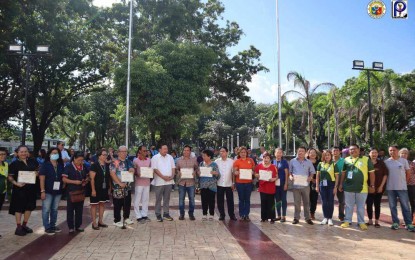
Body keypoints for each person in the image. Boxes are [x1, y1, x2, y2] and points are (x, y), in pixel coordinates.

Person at [339, 144, 375, 230]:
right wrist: (341, 184)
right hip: (348, 187)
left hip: (362, 188)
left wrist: (372, 185)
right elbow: (343, 173)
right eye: (351, 149)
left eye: (355, 149)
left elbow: (372, 173)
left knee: (361, 206)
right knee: (348, 205)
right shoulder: (346, 160)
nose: (353, 151)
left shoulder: (366, 159)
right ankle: (347, 221)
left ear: (359, 150)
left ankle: (361, 222)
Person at [8, 145, 39, 236]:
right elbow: (10, 177)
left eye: (25, 151)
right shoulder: (14, 164)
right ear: (17, 153)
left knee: (29, 207)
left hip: (31, 188)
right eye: (21, 152)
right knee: (19, 207)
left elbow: (38, 170)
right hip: (19, 189)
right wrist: (16, 183)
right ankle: (18, 227)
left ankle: (24, 225)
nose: (24, 153)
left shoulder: (33, 161)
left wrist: (37, 173)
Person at [384, 145, 415, 231]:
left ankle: (409, 224)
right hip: (390, 188)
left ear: (397, 151)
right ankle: (395, 223)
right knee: (392, 206)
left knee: (405, 206)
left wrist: (405, 182)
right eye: (390, 150)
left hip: (402, 188)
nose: (392, 152)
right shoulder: (386, 162)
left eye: (394, 150)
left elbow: (408, 173)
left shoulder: (403, 161)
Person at [39, 147, 65, 234]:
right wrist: (42, 191)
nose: (55, 154)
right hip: (47, 191)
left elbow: (63, 177)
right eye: (53, 153)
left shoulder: (60, 165)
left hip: (58, 191)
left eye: (56, 153)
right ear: (49, 154)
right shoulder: (45, 164)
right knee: (46, 209)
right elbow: (42, 179)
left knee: (54, 209)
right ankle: (47, 227)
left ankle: (53, 225)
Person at [63, 151, 88, 233]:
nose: (80, 162)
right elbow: (64, 179)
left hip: (81, 191)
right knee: (70, 209)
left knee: (79, 209)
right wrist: (75, 182)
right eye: (79, 160)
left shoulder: (83, 166)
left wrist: (85, 180)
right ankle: (70, 227)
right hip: (71, 191)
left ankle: (78, 226)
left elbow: (87, 176)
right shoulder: (69, 166)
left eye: (82, 160)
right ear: (74, 159)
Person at [289, 147, 315, 225]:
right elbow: (290, 172)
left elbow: (312, 172)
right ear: (297, 151)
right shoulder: (292, 161)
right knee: (297, 203)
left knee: (306, 202)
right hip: (296, 186)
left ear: (305, 152)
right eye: (299, 151)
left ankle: (307, 218)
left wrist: (310, 177)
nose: (300, 152)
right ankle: (296, 218)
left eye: (302, 151)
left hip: (305, 186)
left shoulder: (309, 162)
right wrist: (290, 177)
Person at [110, 146, 135, 227]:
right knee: (117, 203)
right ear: (118, 152)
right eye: (122, 151)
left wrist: (132, 170)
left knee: (127, 203)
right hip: (118, 187)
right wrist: (120, 183)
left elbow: (132, 169)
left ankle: (126, 218)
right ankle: (117, 220)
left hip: (127, 187)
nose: (124, 153)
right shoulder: (115, 162)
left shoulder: (129, 161)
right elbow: (112, 173)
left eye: (125, 151)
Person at [151, 145, 175, 222]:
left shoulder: (170, 157)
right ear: (160, 149)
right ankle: (158, 214)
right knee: (158, 199)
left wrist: (172, 176)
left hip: (169, 181)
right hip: (159, 181)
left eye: (167, 148)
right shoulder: (155, 157)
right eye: (164, 149)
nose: (166, 150)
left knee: (167, 199)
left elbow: (173, 167)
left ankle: (166, 214)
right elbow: (154, 169)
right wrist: (163, 177)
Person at [315, 150, 339, 226]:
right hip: (322, 185)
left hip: (331, 184)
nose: (327, 156)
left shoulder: (334, 164)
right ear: (323, 156)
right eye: (326, 155)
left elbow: (337, 177)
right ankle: (325, 217)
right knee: (324, 201)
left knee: (330, 201)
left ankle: (330, 218)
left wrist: (335, 187)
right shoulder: (320, 164)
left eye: (328, 155)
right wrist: (317, 186)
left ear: (331, 156)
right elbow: (317, 177)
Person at [366, 147, 388, 227]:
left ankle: (377, 221)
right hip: (368, 188)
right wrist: (368, 187)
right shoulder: (366, 163)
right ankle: (370, 220)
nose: (374, 154)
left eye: (375, 152)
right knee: (369, 204)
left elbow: (385, 175)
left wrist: (381, 186)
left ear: (377, 154)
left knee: (377, 204)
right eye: (372, 152)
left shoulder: (381, 163)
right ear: (369, 154)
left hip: (379, 188)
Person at [176, 145, 199, 220]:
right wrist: (178, 172)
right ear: (183, 151)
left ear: (190, 151)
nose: (186, 152)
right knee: (181, 200)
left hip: (191, 183)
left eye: (187, 150)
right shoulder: (179, 160)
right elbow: (176, 169)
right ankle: (182, 214)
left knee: (192, 200)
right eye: (184, 150)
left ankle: (191, 214)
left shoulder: (194, 159)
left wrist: (195, 172)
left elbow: (197, 168)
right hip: (181, 183)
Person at [89, 149, 110, 230]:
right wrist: (93, 190)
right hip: (96, 188)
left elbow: (108, 177)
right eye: (104, 155)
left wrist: (109, 188)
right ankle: (94, 223)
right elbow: (92, 179)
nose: (105, 156)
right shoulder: (94, 165)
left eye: (106, 155)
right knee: (94, 205)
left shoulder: (106, 165)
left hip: (104, 188)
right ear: (99, 156)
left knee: (102, 204)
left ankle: (100, 221)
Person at [233, 146, 255, 221]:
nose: (243, 154)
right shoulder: (237, 161)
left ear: (247, 153)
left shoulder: (251, 160)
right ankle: (242, 214)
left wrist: (253, 172)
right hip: (239, 183)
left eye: (244, 152)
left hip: (248, 183)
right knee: (241, 199)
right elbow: (234, 172)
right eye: (241, 152)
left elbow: (254, 170)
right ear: (239, 153)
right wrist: (236, 172)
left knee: (247, 199)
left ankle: (247, 214)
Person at [255, 152, 277, 223]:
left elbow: (277, 176)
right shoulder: (259, 166)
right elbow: (255, 174)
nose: (266, 159)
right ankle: (264, 218)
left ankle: (272, 218)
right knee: (263, 202)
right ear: (263, 158)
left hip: (271, 187)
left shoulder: (274, 167)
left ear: (270, 159)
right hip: (262, 187)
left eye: (267, 158)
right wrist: (257, 175)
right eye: (264, 158)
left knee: (271, 203)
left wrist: (273, 179)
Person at [215, 147, 237, 221]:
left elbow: (233, 173)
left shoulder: (232, 161)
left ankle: (232, 215)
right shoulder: (216, 161)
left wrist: (233, 183)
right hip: (219, 184)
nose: (221, 153)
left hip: (229, 184)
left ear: (227, 152)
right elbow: (215, 171)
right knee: (219, 201)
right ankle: (222, 215)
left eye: (223, 151)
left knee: (230, 200)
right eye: (220, 151)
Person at [199, 149, 220, 220]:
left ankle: (211, 214)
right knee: (204, 200)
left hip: (212, 186)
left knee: (211, 200)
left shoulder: (214, 164)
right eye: (202, 156)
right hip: (203, 186)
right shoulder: (201, 164)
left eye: (204, 156)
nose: (203, 157)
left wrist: (215, 173)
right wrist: (198, 173)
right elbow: (199, 174)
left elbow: (218, 175)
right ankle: (204, 214)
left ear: (209, 156)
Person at [133, 145, 152, 223]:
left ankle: (144, 214)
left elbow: (151, 170)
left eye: (146, 150)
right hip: (139, 183)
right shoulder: (135, 160)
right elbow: (134, 172)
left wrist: (151, 174)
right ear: (139, 151)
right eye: (144, 151)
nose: (145, 152)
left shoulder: (149, 160)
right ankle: (138, 216)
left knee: (145, 199)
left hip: (147, 182)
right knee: (137, 200)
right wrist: (138, 174)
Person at [273, 148, 289, 222]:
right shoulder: (273, 162)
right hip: (275, 185)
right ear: (275, 153)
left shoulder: (284, 162)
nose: (279, 154)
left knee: (283, 200)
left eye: (280, 153)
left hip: (282, 184)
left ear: (282, 154)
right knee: (277, 200)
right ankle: (278, 215)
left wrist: (286, 183)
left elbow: (286, 173)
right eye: (277, 152)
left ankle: (283, 216)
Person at [332, 146, 345, 222]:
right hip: (331, 182)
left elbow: (344, 172)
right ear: (332, 152)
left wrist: (341, 183)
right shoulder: (329, 160)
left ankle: (341, 215)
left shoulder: (343, 161)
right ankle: (329, 215)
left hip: (340, 181)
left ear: (340, 152)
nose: (335, 152)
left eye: (337, 150)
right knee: (330, 200)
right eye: (334, 151)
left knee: (342, 201)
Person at [307, 148, 320, 220]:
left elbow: (321, 172)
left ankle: (312, 213)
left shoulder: (319, 162)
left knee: (314, 199)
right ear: (308, 154)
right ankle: (308, 213)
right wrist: (312, 179)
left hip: (316, 183)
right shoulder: (306, 162)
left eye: (314, 153)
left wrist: (317, 180)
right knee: (307, 198)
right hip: (307, 182)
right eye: (311, 153)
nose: (312, 154)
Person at [0, 147, 9, 238]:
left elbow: (8, 177)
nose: (2, 156)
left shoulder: (6, 164)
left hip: (2, 192)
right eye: (0, 154)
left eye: (4, 154)